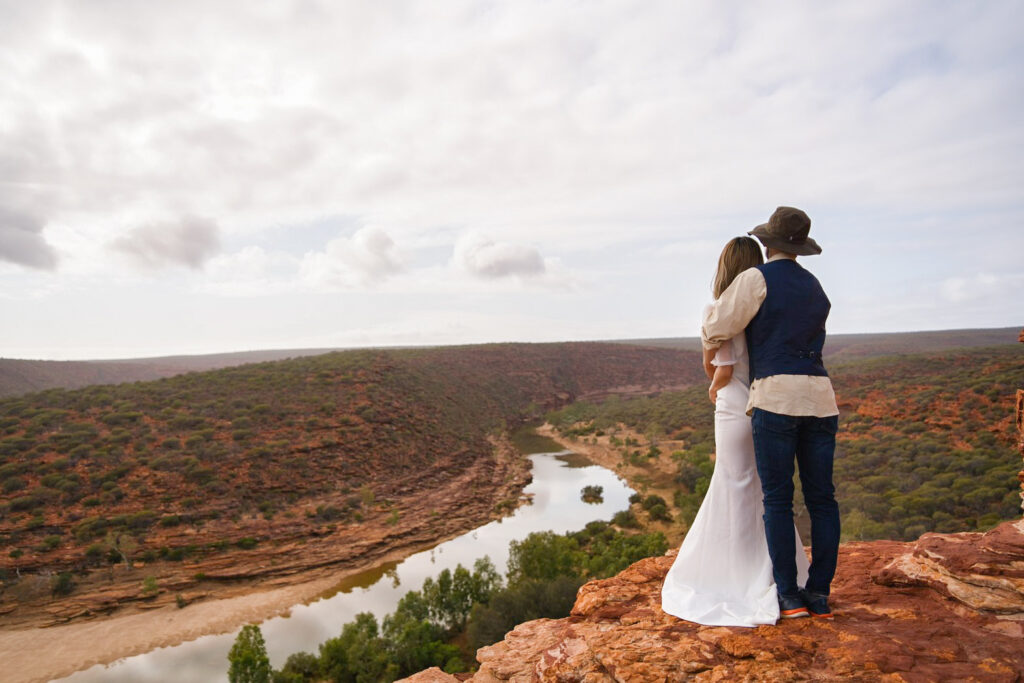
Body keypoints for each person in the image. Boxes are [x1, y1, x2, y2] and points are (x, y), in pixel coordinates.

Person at [660, 236, 809, 627]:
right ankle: (775, 573)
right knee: (759, 487)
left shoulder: (721, 310)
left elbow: (722, 366)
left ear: (723, 267)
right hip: (760, 402)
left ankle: (731, 576)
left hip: (731, 405)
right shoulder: (758, 312)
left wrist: (711, 382)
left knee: (732, 484)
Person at [700, 206, 840, 620]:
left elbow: (717, 327)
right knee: (823, 498)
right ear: (801, 248)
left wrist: (710, 324)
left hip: (775, 397)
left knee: (778, 498)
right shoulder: (816, 287)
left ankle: (789, 596)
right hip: (819, 397)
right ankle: (820, 593)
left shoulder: (755, 278)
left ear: (768, 242)